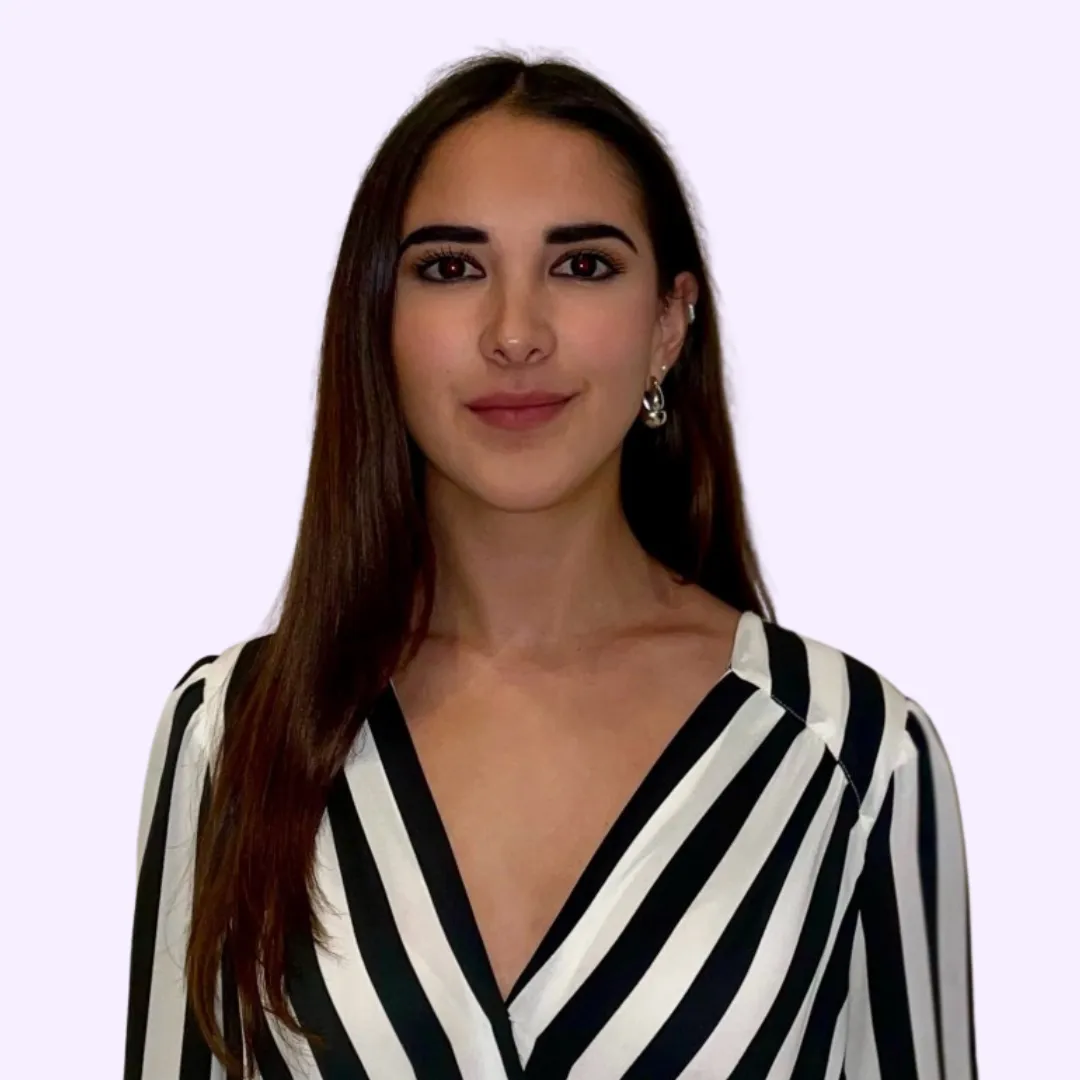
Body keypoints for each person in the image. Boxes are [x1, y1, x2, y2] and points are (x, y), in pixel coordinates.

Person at [123, 50, 978, 1080]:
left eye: (581, 265)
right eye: (451, 268)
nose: (515, 333)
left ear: (669, 324)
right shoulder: (235, 735)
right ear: (380, 324)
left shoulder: (850, 755)